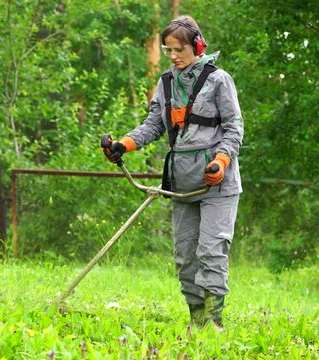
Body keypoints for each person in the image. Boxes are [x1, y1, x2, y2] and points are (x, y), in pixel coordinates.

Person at [103, 15, 243, 330]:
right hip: (181, 183)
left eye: (179, 49)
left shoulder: (219, 80)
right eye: (168, 50)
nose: (174, 55)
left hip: (217, 184)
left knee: (211, 253)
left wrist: (220, 161)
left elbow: (234, 129)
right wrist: (125, 144)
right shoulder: (166, 83)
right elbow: (153, 124)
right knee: (185, 258)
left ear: (197, 46)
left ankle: (214, 324)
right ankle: (197, 322)